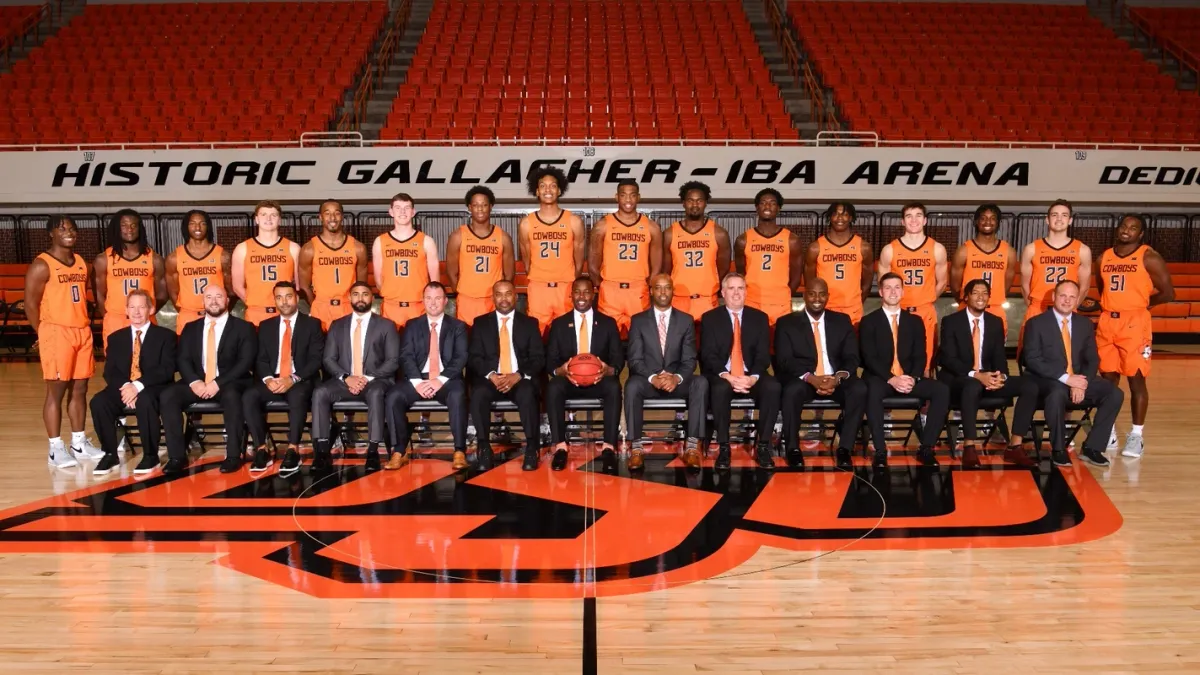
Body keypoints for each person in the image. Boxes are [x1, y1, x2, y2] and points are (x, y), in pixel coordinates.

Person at [1092, 214, 1174, 459]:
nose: (1127, 230)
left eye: (1133, 228)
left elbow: (1169, 292)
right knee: (1107, 382)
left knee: (1136, 381)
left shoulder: (1149, 257)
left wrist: (1142, 305)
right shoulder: (1103, 257)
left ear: (1141, 234)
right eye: (1124, 226)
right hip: (1107, 321)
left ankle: (1137, 435)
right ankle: (1109, 431)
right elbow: (1102, 289)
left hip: (1135, 322)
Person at [24, 215, 102, 468]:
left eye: (72, 228)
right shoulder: (41, 265)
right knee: (55, 393)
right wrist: (42, 332)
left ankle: (78, 442)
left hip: (81, 331)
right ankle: (55, 448)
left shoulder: (81, 262)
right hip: (57, 332)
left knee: (80, 390)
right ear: (51, 234)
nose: (68, 232)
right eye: (62, 228)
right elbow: (30, 304)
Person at [937, 279, 1038, 469]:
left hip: (987, 377)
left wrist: (1001, 377)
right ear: (966, 297)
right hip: (959, 378)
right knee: (972, 385)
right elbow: (947, 359)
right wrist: (976, 375)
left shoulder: (995, 322)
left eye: (985, 293)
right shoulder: (951, 321)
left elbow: (999, 356)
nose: (981, 297)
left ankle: (1015, 446)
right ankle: (969, 447)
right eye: (975, 292)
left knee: (1029, 385)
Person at [1023, 280, 1123, 468]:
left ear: (1077, 300)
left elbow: (1092, 359)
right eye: (1063, 296)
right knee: (1057, 393)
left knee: (1114, 393)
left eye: (1072, 297)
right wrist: (1067, 379)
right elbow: (1032, 360)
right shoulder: (1036, 324)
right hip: (1049, 380)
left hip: (1078, 379)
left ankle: (1092, 448)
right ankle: (1059, 449)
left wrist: (1081, 382)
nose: (1067, 301)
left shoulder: (1084, 324)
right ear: (1053, 297)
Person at [159, 284, 257, 474]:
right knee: (169, 395)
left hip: (230, 382)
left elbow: (245, 362)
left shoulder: (244, 328)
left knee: (232, 397)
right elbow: (183, 359)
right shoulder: (190, 328)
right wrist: (195, 382)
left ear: (227, 301)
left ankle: (233, 456)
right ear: (203, 301)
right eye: (209, 297)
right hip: (199, 382)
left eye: (218, 296)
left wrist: (217, 383)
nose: (213, 301)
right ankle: (177, 456)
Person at [774, 278, 866, 470]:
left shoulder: (842, 321)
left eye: (822, 294)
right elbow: (784, 360)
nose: (817, 298)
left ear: (827, 297)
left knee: (859, 389)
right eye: (812, 293)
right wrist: (811, 378)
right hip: (805, 379)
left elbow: (852, 356)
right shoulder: (786, 323)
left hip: (835, 379)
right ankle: (793, 449)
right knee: (791, 391)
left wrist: (837, 378)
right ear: (804, 295)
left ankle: (844, 449)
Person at [860, 273, 950, 468]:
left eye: (897, 287)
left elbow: (920, 355)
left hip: (909, 378)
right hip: (881, 378)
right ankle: (880, 450)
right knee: (872, 391)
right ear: (881, 292)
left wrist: (914, 378)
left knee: (941, 390)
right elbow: (869, 357)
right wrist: (891, 379)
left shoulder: (915, 321)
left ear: (903, 291)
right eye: (888, 288)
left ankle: (926, 448)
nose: (893, 291)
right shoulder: (868, 321)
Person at [311, 282, 400, 472]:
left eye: (365, 294)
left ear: (372, 298)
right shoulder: (337, 325)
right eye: (356, 294)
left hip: (375, 381)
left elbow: (393, 361)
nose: (360, 298)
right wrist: (346, 377)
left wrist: (366, 378)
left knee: (376, 394)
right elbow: (328, 359)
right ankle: (321, 451)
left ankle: (373, 452)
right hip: (344, 381)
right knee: (320, 392)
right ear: (349, 298)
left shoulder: (387, 325)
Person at [624, 274, 708, 470]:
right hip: (649, 381)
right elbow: (635, 360)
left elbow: (689, 359)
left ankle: (692, 447)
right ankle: (636, 449)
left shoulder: (686, 321)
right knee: (632, 385)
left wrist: (676, 378)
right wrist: (653, 377)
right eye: (658, 288)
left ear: (673, 291)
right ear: (651, 291)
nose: (663, 292)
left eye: (667, 287)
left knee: (700, 382)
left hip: (675, 381)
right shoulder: (638, 321)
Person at [699, 273, 781, 471]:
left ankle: (763, 446)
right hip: (723, 375)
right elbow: (708, 355)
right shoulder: (710, 318)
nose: (736, 293)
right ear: (723, 293)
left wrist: (752, 378)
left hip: (749, 374)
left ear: (746, 292)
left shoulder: (759, 318)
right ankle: (724, 447)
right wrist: (728, 376)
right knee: (719, 390)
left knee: (773, 387)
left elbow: (763, 355)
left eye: (740, 288)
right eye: (732, 288)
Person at [241, 281, 325, 476]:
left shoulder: (312, 324)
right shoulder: (265, 326)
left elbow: (315, 360)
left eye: (288, 296)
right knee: (249, 396)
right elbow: (260, 359)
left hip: (300, 379)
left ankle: (292, 449)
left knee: (297, 396)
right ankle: (262, 448)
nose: (284, 302)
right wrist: (269, 379)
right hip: (273, 379)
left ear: (296, 298)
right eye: (279, 297)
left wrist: (292, 379)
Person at [89, 290, 176, 475]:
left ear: (151, 309)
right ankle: (110, 454)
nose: (137, 312)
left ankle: (150, 455)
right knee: (99, 402)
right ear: (126, 310)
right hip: (124, 387)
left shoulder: (166, 336)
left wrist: (137, 386)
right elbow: (110, 371)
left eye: (142, 307)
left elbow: (166, 370)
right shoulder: (115, 338)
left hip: (153, 387)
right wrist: (127, 388)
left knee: (145, 400)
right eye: (132, 307)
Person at [386, 282, 469, 471]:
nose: (433, 303)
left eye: (438, 298)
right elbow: (405, 356)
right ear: (423, 300)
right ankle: (399, 450)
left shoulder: (458, 326)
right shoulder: (412, 325)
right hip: (418, 378)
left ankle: (459, 451)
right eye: (429, 298)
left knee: (457, 395)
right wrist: (418, 383)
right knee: (393, 396)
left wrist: (438, 380)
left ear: (445, 301)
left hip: (446, 379)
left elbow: (460, 357)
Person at [545, 276, 624, 473]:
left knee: (614, 386)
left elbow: (618, 360)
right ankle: (560, 447)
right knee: (553, 386)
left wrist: (609, 370)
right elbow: (550, 362)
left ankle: (608, 447)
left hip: (598, 379)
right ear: (571, 295)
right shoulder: (559, 324)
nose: (582, 296)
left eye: (586, 292)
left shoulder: (607, 323)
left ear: (593, 295)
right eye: (577, 292)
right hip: (569, 380)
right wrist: (560, 371)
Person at [467, 280, 545, 471]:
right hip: (492, 379)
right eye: (499, 294)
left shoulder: (529, 323)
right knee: (478, 394)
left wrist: (518, 375)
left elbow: (538, 358)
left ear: (516, 297)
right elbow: (474, 357)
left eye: (508, 293)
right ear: (493, 297)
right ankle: (484, 447)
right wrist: (492, 375)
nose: (504, 299)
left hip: (518, 379)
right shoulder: (480, 323)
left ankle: (532, 447)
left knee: (527, 393)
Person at [877, 202, 948, 374]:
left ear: (925, 221)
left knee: (926, 362)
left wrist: (926, 300)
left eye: (918, 216)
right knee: (896, 358)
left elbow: (942, 282)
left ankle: (926, 399)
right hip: (898, 311)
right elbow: (883, 284)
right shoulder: (890, 250)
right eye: (909, 216)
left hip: (925, 312)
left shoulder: (937, 248)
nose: (914, 220)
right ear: (902, 222)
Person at [1018, 199, 1093, 357]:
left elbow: (1084, 287)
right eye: (1054, 215)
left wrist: (1069, 307)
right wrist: (1035, 306)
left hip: (1067, 309)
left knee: (1065, 357)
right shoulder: (1031, 249)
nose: (1059, 219)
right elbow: (1025, 286)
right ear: (1047, 219)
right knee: (1031, 357)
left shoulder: (1082, 250)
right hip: (1038, 307)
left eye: (1064, 215)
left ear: (1070, 220)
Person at [589, 179, 662, 338]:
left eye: (632, 195)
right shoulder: (603, 225)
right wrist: (603, 285)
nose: (628, 200)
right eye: (623, 195)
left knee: (642, 339)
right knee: (605, 338)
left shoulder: (651, 227)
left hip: (638, 290)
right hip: (610, 289)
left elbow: (657, 264)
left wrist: (648, 285)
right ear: (617, 197)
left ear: (638, 197)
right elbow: (593, 262)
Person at [517, 167, 586, 334]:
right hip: (539, 287)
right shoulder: (527, 223)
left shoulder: (574, 221)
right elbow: (526, 258)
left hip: (565, 286)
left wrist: (569, 277)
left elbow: (579, 255)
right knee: (537, 334)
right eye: (543, 186)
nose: (548, 190)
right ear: (537, 191)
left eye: (553, 185)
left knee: (568, 334)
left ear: (560, 190)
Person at [93, 209, 167, 352]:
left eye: (134, 225)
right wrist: (110, 316)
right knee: (118, 367)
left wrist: (145, 312)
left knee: (148, 363)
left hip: (146, 319)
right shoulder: (103, 259)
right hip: (116, 320)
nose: (130, 229)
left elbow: (163, 294)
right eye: (124, 225)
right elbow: (99, 294)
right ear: (117, 228)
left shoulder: (154, 259)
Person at [445, 186, 515, 326]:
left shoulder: (503, 237)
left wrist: (499, 295)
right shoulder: (458, 235)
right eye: (476, 205)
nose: (480, 209)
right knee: (468, 341)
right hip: (467, 300)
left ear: (491, 206)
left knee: (494, 341)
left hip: (492, 299)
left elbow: (509, 273)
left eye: (484, 205)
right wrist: (462, 292)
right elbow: (451, 271)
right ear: (470, 207)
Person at [662, 181, 731, 320]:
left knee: (708, 341)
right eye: (690, 200)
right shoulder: (670, 233)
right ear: (683, 203)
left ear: (706, 203)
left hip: (707, 300)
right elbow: (666, 269)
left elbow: (723, 268)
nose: (695, 205)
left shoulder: (719, 233)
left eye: (699, 200)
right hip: (679, 299)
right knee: (678, 342)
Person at [734, 188, 803, 327]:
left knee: (780, 346)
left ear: (778, 208)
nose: (767, 206)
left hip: (780, 304)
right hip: (752, 302)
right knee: (753, 346)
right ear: (757, 207)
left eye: (772, 203)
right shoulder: (743, 239)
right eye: (763, 203)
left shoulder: (791, 240)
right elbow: (741, 271)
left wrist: (784, 294)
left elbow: (796, 274)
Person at [298, 199, 368, 331]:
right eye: (327, 213)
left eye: (337, 213)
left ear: (342, 217)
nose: (332, 218)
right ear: (320, 217)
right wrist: (317, 304)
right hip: (321, 309)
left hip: (347, 306)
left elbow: (361, 285)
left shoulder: (358, 248)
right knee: (321, 350)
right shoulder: (309, 249)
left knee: (349, 350)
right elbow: (304, 286)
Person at [372, 193, 440, 327]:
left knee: (419, 348)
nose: (402, 212)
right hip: (391, 307)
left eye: (407, 207)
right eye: (397, 208)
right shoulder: (380, 241)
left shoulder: (426, 241)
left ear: (413, 212)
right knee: (391, 348)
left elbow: (435, 281)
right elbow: (379, 281)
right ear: (391, 212)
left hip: (418, 307)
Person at [950, 204, 1016, 337]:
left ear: (998, 223)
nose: (988, 222)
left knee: (994, 355)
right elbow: (955, 285)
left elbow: (1006, 286)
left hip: (995, 309)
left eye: (992, 218)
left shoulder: (1008, 251)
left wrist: (993, 299)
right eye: (983, 218)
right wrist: (969, 301)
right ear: (976, 221)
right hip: (968, 309)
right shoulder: (964, 250)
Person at [232, 200, 301, 326]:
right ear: (257, 219)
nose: (268, 218)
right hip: (255, 314)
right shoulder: (242, 248)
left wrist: (286, 304)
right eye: (263, 215)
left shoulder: (293, 248)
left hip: (284, 313)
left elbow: (298, 285)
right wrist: (255, 302)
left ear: (279, 220)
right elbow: (237, 286)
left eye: (273, 215)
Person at [805, 202, 874, 327]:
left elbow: (867, 282)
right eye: (835, 214)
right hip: (825, 308)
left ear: (851, 218)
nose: (840, 218)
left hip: (852, 310)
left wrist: (857, 302)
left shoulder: (863, 247)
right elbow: (810, 282)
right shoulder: (816, 248)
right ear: (830, 217)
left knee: (852, 346)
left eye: (845, 214)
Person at [166, 210, 232, 335]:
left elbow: (231, 292)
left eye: (202, 223)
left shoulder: (222, 256)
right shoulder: (174, 258)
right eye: (192, 223)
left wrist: (219, 310)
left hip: (216, 316)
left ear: (208, 226)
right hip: (188, 317)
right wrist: (187, 310)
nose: (197, 227)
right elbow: (173, 292)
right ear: (186, 226)